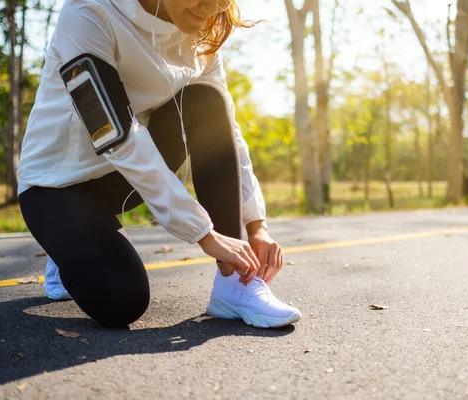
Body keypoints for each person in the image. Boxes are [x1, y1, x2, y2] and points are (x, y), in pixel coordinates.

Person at [17, 0, 301, 329]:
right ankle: (66, 244)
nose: (213, 8)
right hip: (56, 187)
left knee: (207, 101)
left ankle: (234, 286)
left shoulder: (203, 29)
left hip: (122, 180)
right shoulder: (89, 11)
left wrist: (256, 225)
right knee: (122, 300)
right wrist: (205, 235)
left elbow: (227, 133)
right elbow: (116, 135)